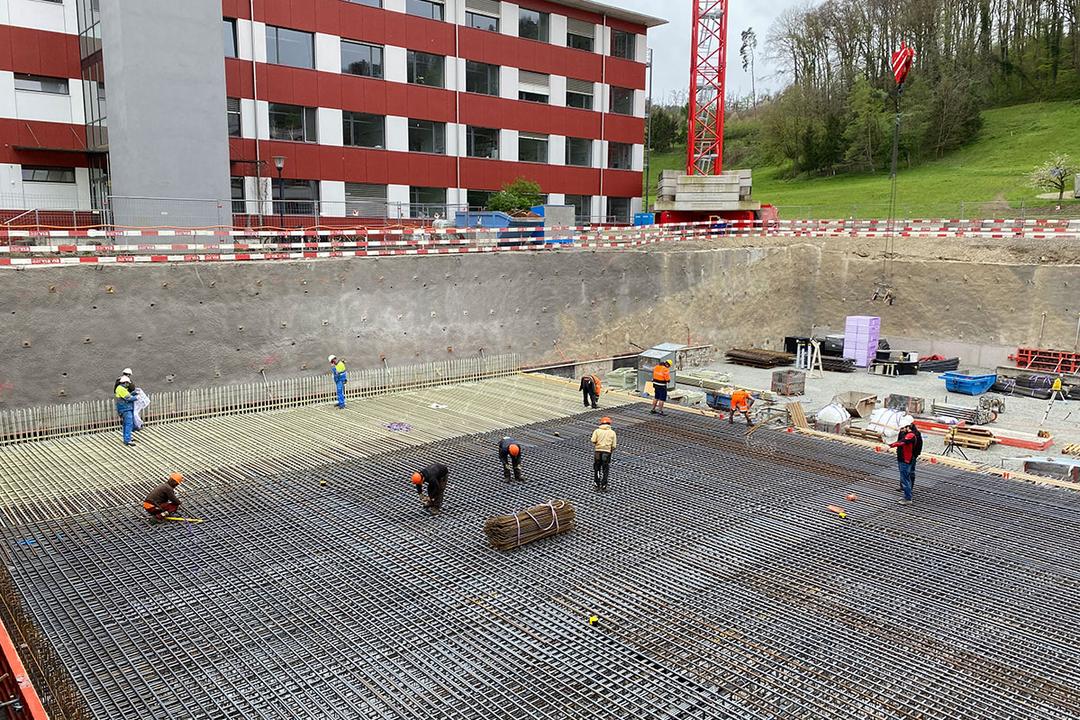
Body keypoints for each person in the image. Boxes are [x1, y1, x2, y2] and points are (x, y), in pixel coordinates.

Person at [890, 423, 921, 506]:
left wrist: (890, 445)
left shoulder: (911, 435)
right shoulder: (907, 434)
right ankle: (906, 495)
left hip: (906, 460)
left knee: (905, 478)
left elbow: (902, 442)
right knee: (905, 477)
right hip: (903, 458)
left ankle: (908, 498)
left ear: (908, 427)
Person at [590, 417, 617, 491]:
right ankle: (604, 485)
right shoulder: (612, 432)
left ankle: (596, 485)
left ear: (601, 423)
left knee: (597, 468)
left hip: (598, 452)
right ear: (609, 424)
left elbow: (593, 440)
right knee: (605, 469)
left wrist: (598, 445)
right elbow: (614, 445)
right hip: (607, 452)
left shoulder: (597, 431)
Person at [115, 375, 136, 446]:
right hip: (125, 409)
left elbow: (127, 395)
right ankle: (127, 440)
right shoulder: (121, 389)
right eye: (128, 383)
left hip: (123, 408)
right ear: (125, 382)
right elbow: (128, 398)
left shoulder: (120, 388)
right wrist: (136, 397)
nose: (128, 385)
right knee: (128, 423)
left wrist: (132, 394)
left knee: (125, 424)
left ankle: (127, 437)